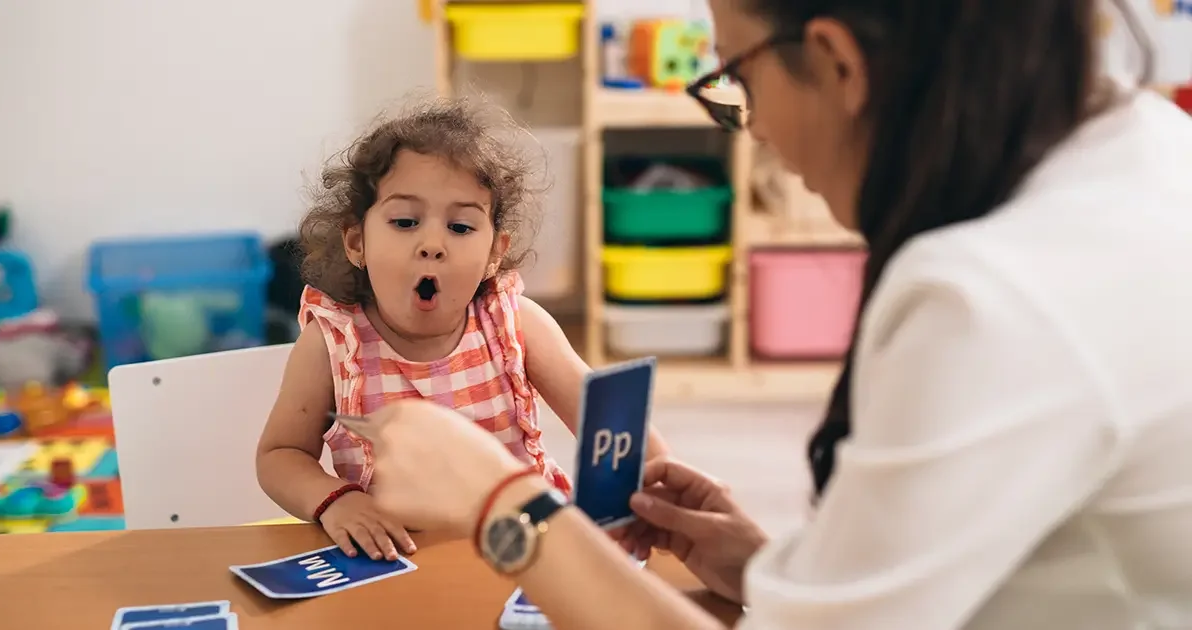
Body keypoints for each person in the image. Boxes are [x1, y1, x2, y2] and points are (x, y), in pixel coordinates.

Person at [343, 0, 1192, 628]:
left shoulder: (989, 300)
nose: (753, 131)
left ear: (837, 64)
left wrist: (505, 509)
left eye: (736, 77)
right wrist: (783, 570)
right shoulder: (1148, 142)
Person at [254, 97, 670, 561]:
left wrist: (658, 485)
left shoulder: (515, 323)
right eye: (405, 222)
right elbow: (280, 455)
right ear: (357, 242)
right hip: (396, 559)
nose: (432, 244)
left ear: (495, 251)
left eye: (460, 226)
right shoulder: (332, 343)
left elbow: (611, 428)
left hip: (525, 551)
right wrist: (337, 500)